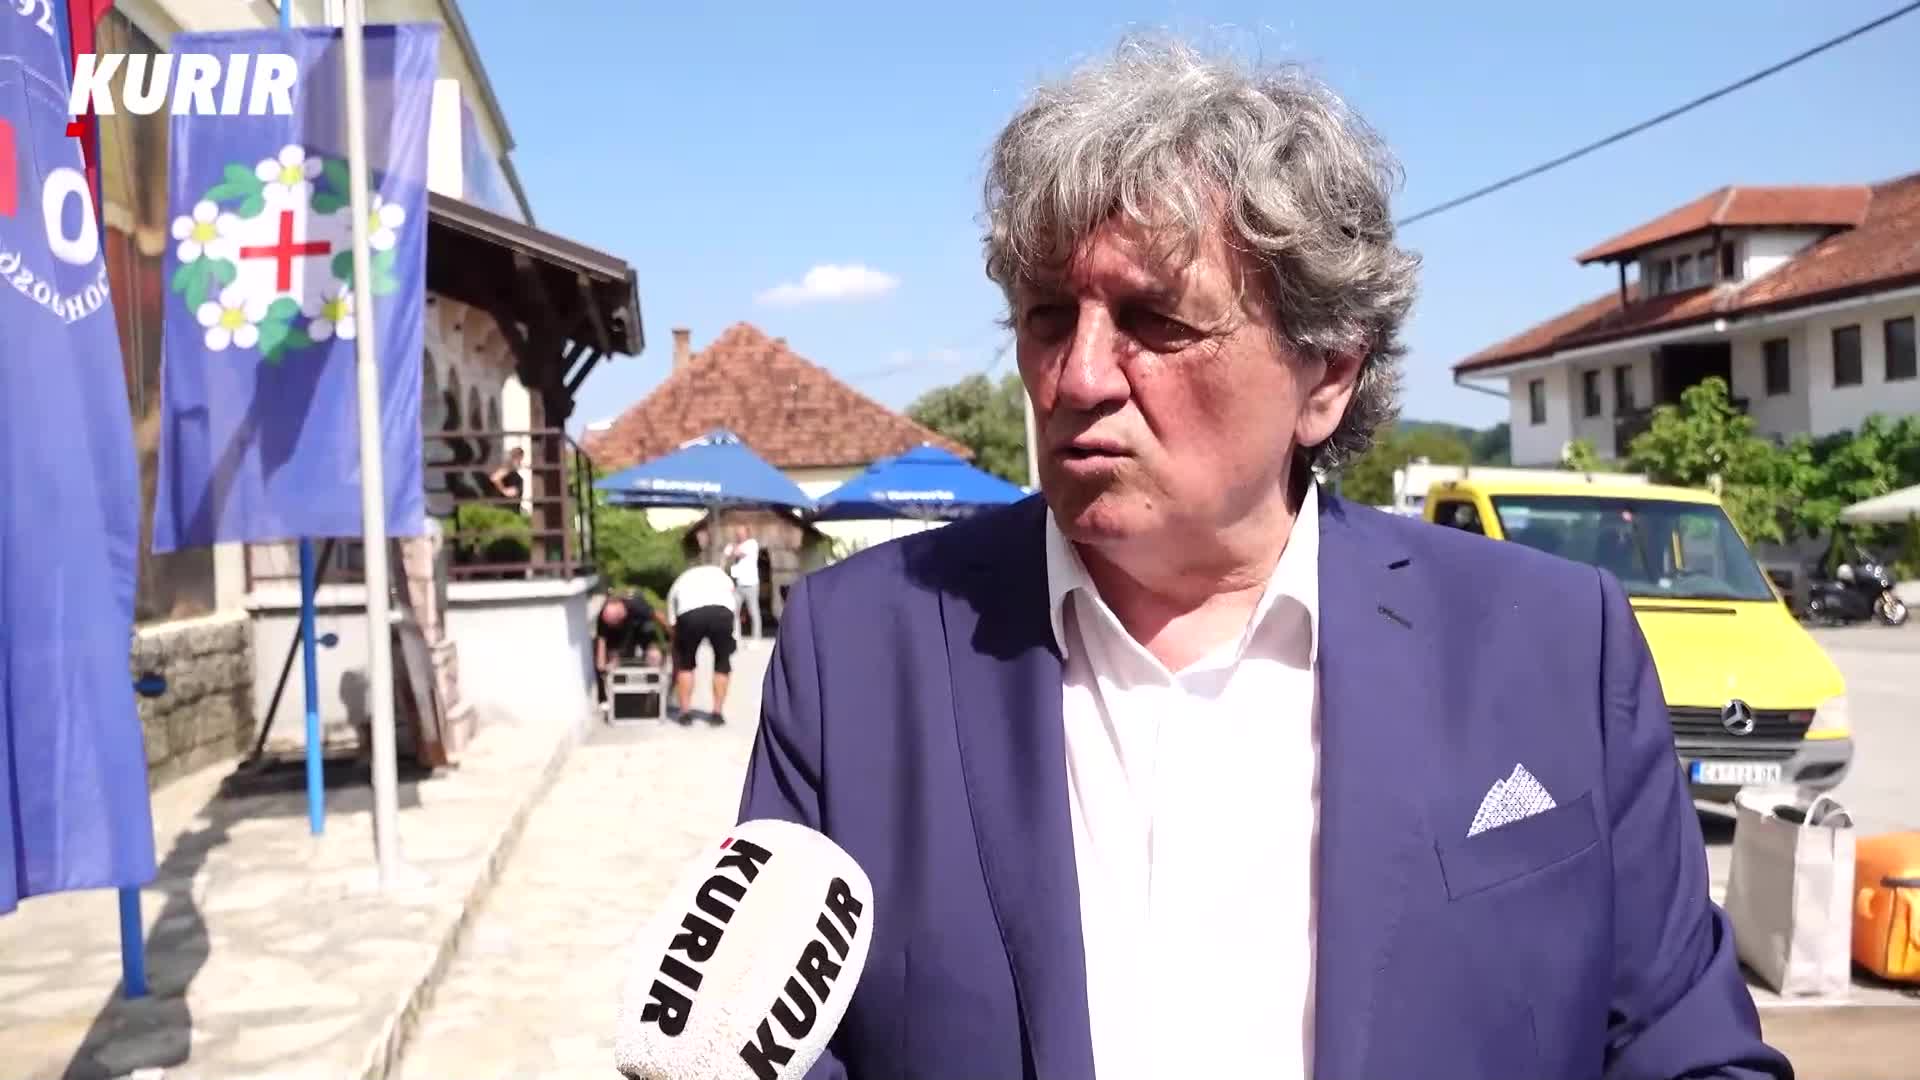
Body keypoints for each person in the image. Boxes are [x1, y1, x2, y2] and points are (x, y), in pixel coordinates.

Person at [736, 38, 1787, 1080]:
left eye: (1155, 320)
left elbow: (1686, 1051)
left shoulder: (1552, 647)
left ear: (1325, 376)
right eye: (1049, 315)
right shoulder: (857, 656)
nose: (1078, 375)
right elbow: (765, 1051)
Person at [665, 557, 738, 724]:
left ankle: (685, 713)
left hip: (690, 613)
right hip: (722, 612)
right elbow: (733, 602)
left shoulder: (682, 579)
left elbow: (672, 619)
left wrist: (677, 646)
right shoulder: (721, 574)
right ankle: (717, 714)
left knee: (686, 665)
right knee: (722, 663)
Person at [592, 594, 658, 708]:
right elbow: (601, 640)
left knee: (653, 655)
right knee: (606, 663)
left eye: (614, 622)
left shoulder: (637, 607)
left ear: (621, 614)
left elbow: (657, 616)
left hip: (641, 631)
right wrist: (602, 666)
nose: (612, 625)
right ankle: (607, 699)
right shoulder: (603, 617)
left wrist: (670, 635)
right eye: (610, 624)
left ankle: (650, 696)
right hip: (618, 637)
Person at [724, 524, 762, 639]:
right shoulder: (734, 545)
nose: (739, 535)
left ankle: (756, 637)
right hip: (738, 584)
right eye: (737, 533)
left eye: (741, 533)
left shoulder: (752, 544)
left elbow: (738, 553)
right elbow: (725, 556)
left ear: (747, 533)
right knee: (734, 610)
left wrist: (732, 548)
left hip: (751, 584)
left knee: (753, 611)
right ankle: (736, 635)